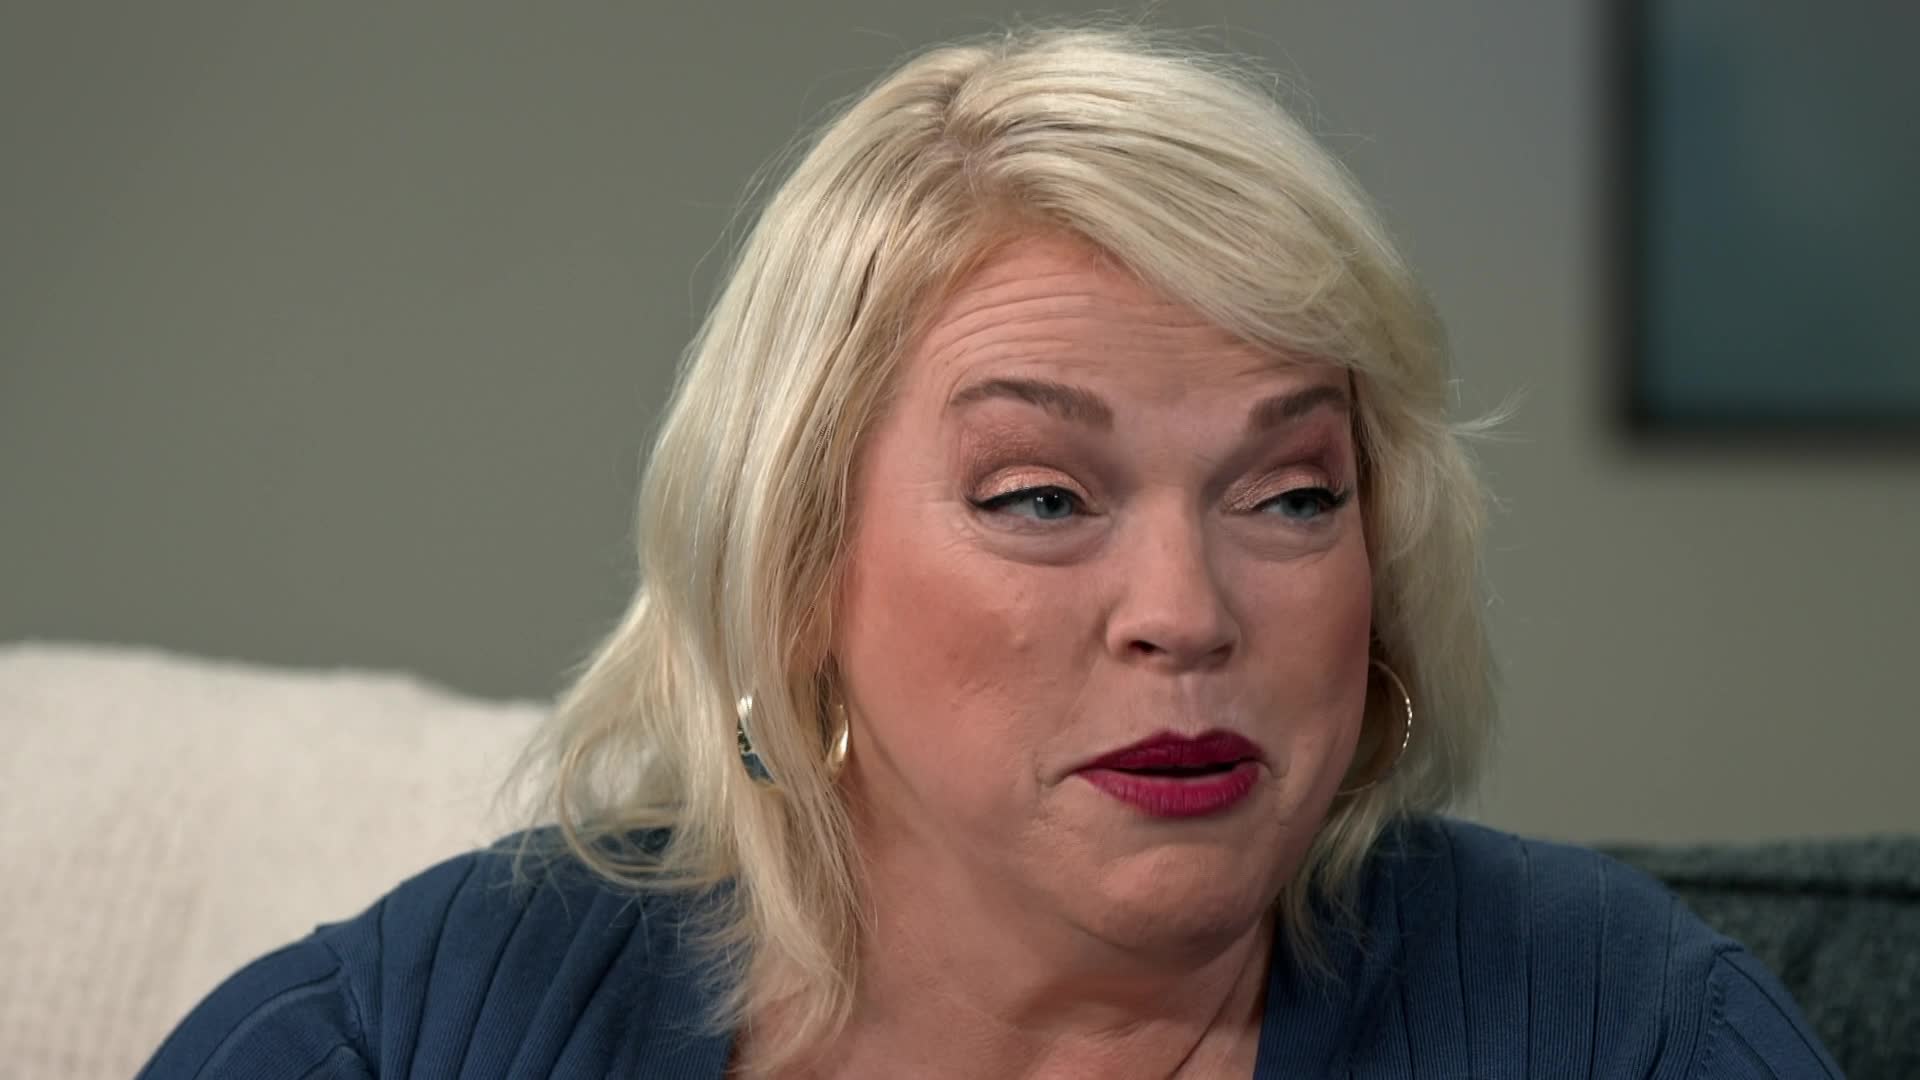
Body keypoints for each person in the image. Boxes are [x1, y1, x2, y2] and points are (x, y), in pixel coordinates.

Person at [139, 26, 1840, 1079]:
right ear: (797, 563)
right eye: (1041, 498)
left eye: (1290, 495)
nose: (1185, 615)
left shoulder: (1628, 1032)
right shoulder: (405, 1038)